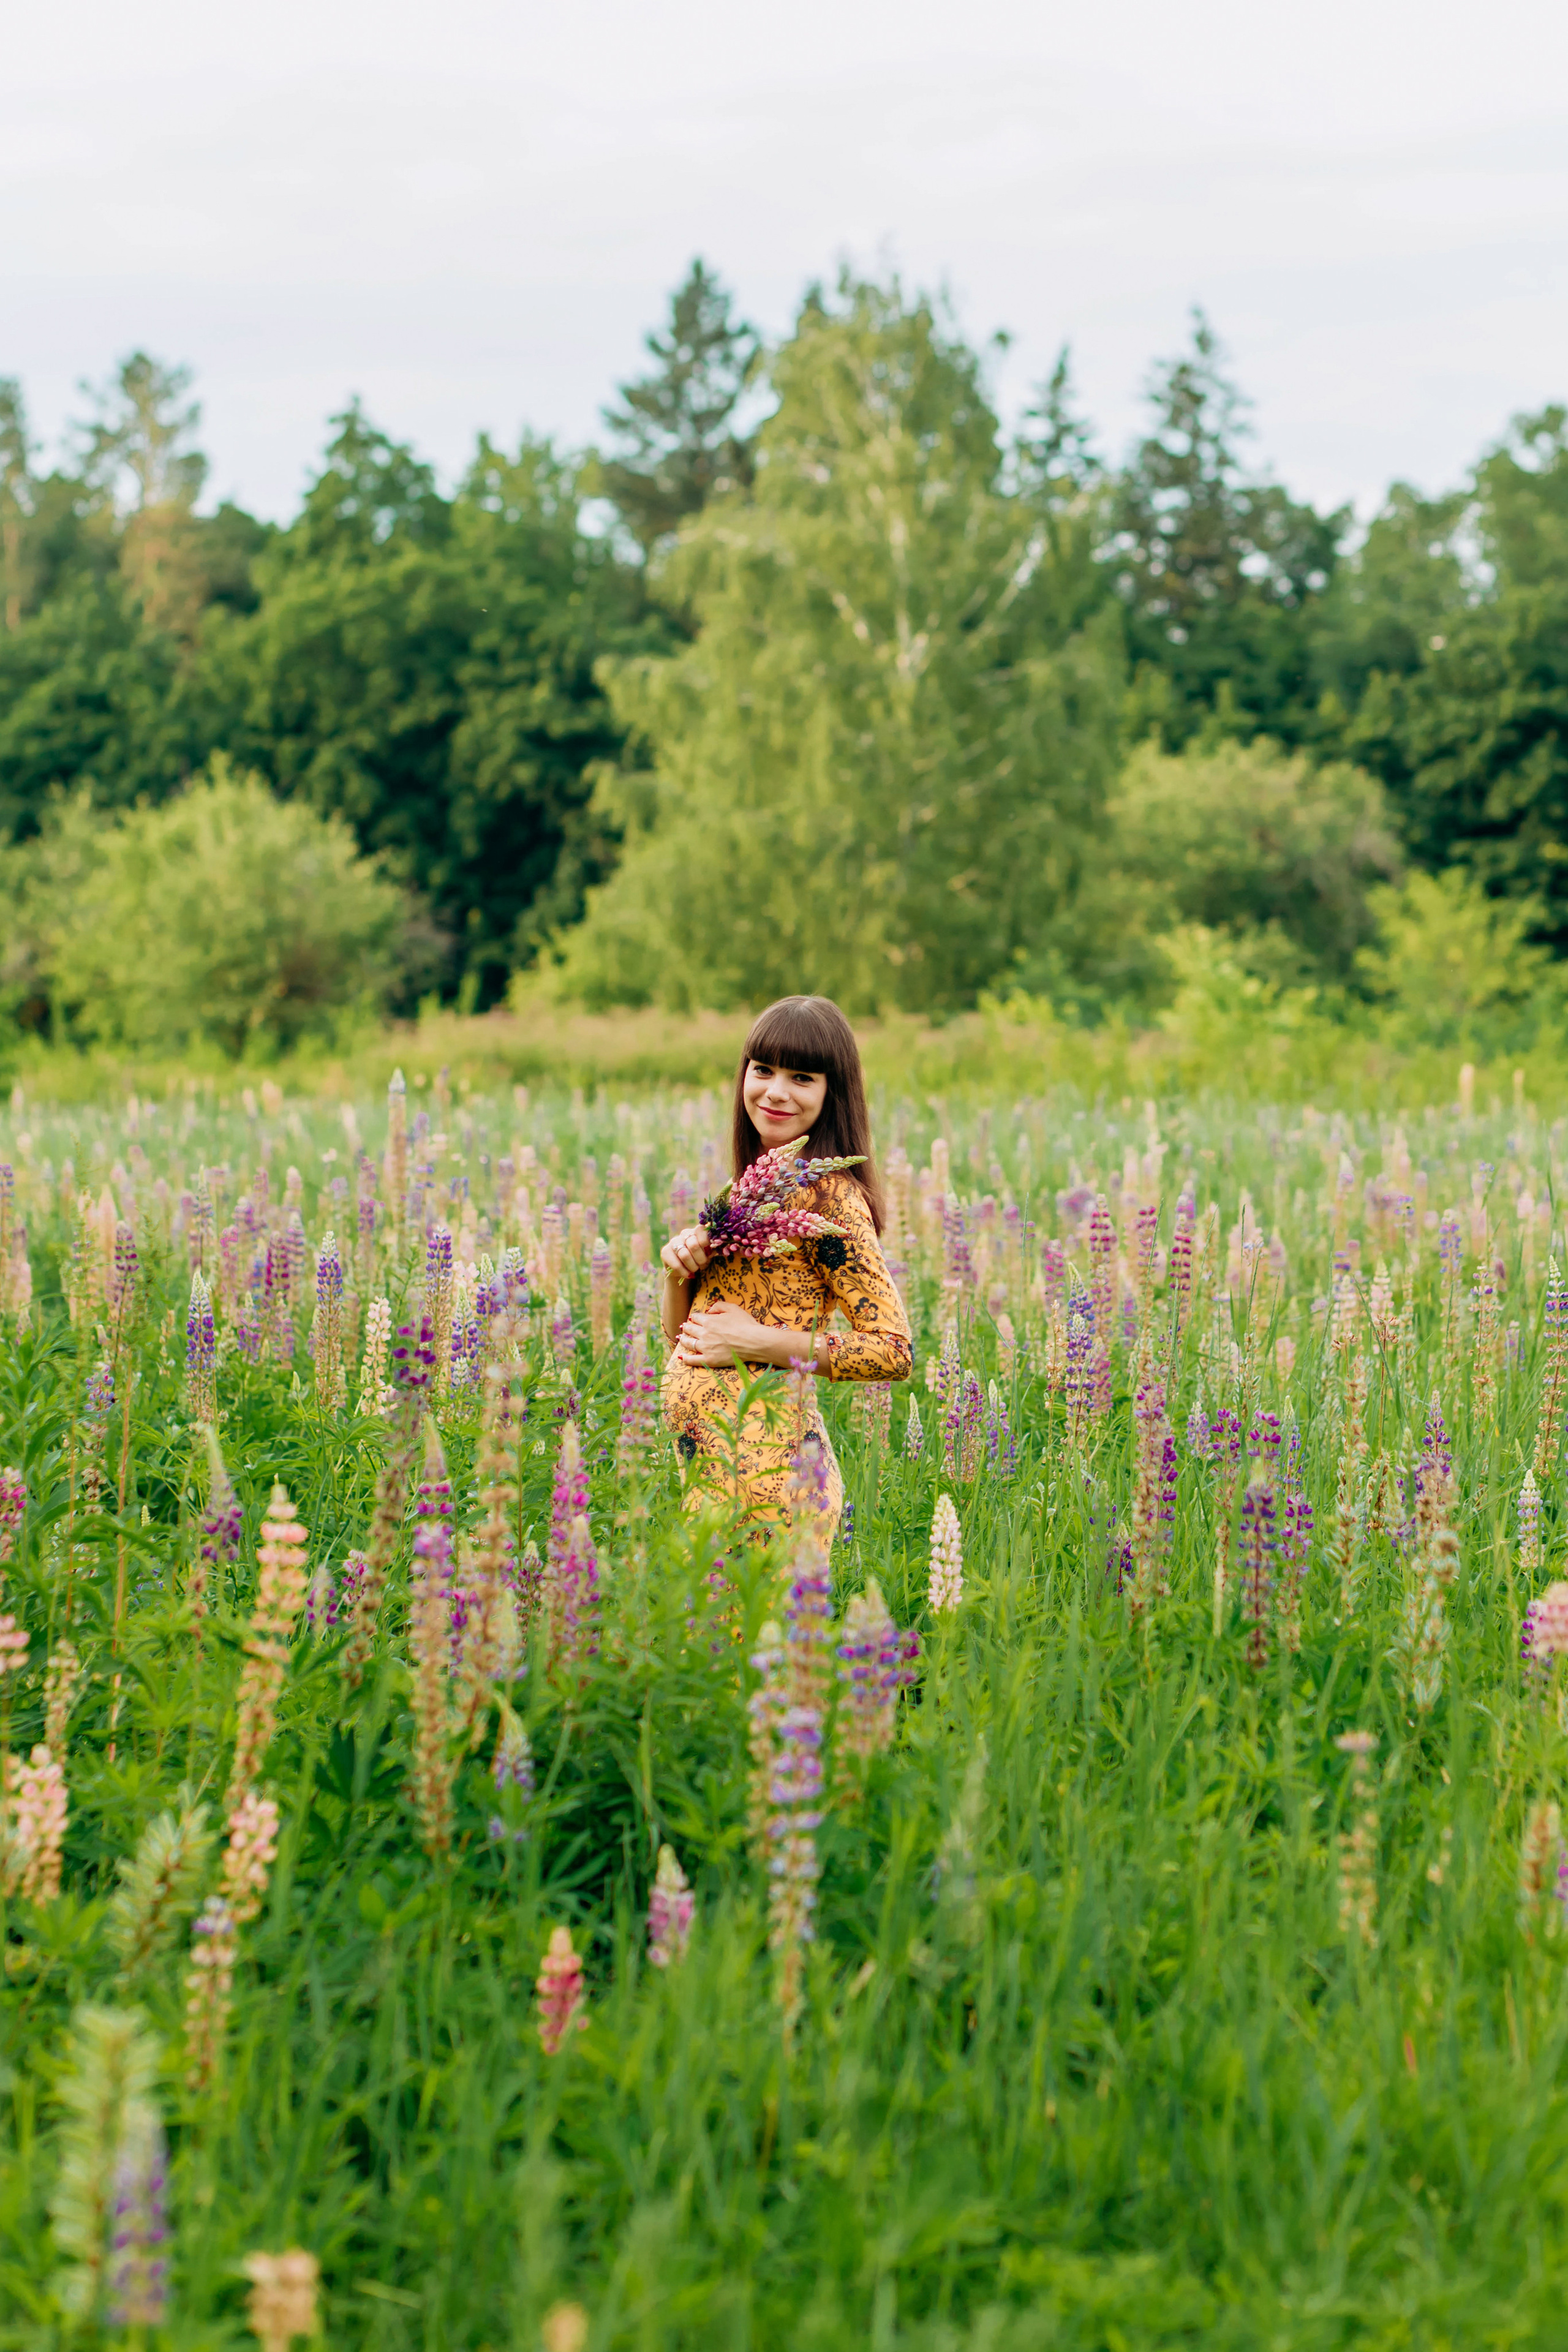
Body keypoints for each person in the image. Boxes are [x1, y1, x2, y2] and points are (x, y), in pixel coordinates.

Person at [660, 995, 912, 1540]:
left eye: (802, 1077)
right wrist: (677, 1269)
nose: (775, 1091)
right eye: (763, 1070)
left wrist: (756, 1342)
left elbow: (892, 1350)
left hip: (777, 1490)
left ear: (832, 1094)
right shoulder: (754, 1185)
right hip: (713, 1479)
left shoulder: (832, 1198)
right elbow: (687, 1338)